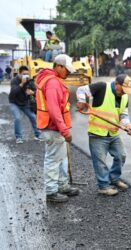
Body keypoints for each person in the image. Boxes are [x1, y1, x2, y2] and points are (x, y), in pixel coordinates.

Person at [76, 74, 131, 196]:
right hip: (97, 133)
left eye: (126, 91)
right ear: (116, 84)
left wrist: (128, 125)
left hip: (113, 133)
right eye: (122, 90)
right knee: (100, 162)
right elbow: (81, 90)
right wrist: (81, 101)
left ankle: (114, 178)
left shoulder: (124, 97)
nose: (124, 93)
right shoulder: (102, 87)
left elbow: (123, 114)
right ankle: (103, 186)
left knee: (121, 155)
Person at [35, 54, 80, 203]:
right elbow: (54, 110)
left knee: (61, 158)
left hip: (53, 127)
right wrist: (65, 130)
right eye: (67, 69)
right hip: (53, 127)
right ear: (59, 66)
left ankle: (62, 185)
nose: (68, 73)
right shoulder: (53, 83)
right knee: (53, 160)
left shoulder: (50, 79)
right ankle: (51, 192)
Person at [8, 66, 41, 143]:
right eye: (24, 74)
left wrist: (32, 93)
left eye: (27, 74)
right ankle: (19, 137)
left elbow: (37, 91)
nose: (26, 76)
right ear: (19, 74)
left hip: (24, 103)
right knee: (17, 118)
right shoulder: (14, 80)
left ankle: (38, 135)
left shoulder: (29, 80)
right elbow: (13, 93)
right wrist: (22, 84)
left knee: (33, 117)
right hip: (14, 102)